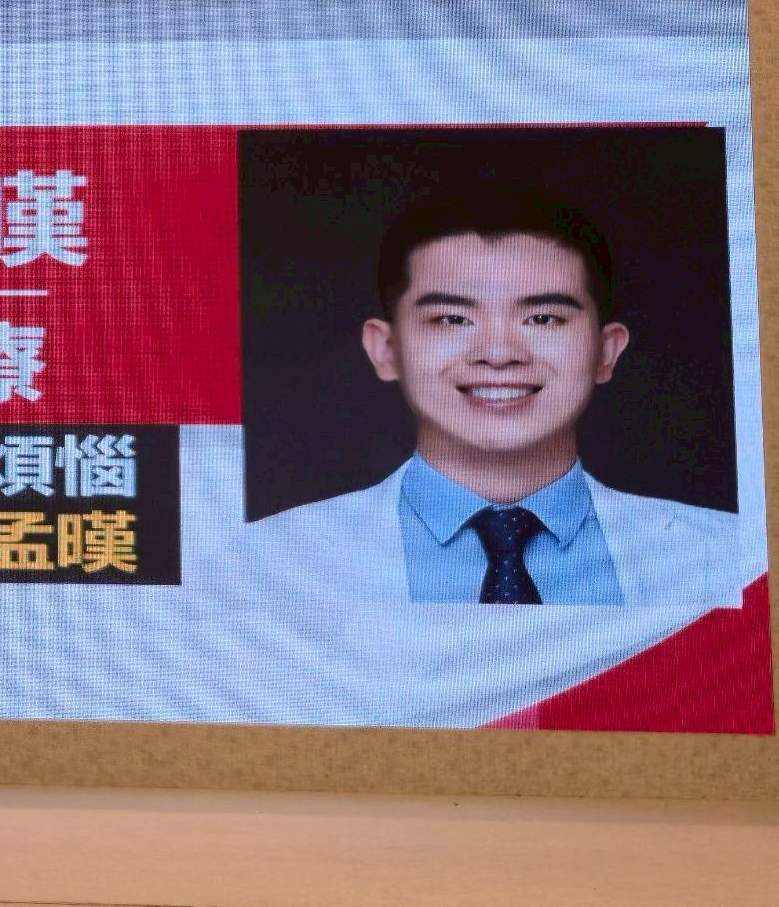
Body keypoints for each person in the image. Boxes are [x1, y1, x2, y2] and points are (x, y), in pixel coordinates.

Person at [249, 184, 738, 605]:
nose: (499, 354)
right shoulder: (273, 564)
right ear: (386, 349)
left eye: (543, 318)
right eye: (452, 319)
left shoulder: (726, 558)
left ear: (606, 352)